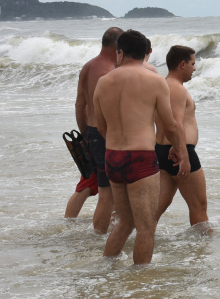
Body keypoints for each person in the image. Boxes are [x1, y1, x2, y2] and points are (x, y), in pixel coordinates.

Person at [94, 29, 188, 265]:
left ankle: (105, 269)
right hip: (141, 159)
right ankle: (141, 281)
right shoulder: (155, 81)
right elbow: (170, 125)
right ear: (145, 52)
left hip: (113, 158)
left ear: (121, 53)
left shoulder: (103, 83)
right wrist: (180, 151)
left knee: (125, 222)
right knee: (146, 228)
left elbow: (101, 127)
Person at [155, 45, 209, 230]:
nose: (194, 68)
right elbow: (176, 123)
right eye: (192, 64)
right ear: (182, 64)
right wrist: (184, 155)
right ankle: (202, 247)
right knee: (199, 207)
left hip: (163, 151)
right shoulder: (175, 88)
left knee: (156, 208)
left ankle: (139, 238)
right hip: (179, 151)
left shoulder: (162, 85)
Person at [75, 26, 122, 233]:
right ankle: (100, 238)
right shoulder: (111, 72)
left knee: (108, 193)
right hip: (106, 136)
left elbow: (79, 105)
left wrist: (85, 135)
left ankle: (108, 234)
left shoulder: (88, 67)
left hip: (92, 133)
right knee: (108, 195)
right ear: (118, 47)